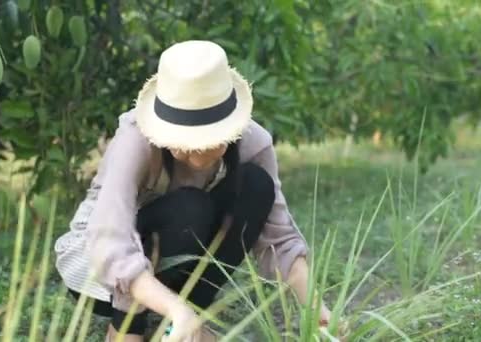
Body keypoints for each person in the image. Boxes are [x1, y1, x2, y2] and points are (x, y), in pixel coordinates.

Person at [54, 40, 332, 342]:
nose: (178, 147)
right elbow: (110, 242)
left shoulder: (255, 143)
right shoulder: (135, 140)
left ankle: (180, 325)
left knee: (255, 186)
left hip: (170, 253)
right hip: (99, 266)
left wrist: (316, 307)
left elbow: (280, 239)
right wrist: (172, 308)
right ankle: (128, 328)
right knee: (189, 208)